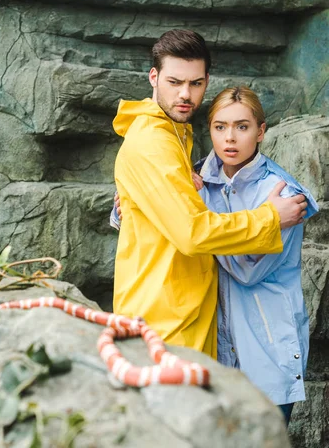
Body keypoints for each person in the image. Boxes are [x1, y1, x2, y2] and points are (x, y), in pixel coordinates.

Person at [111, 29, 307, 359]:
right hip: (162, 323)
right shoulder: (153, 143)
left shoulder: (175, 134)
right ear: (154, 77)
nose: (185, 94)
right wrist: (269, 217)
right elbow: (192, 233)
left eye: (196, 83)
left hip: (184, 313)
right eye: (174, 82)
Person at [189, 86, 318, 425]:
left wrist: (191, 225)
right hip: (215, 349)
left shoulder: (283, 194)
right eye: (220, 127)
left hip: (268, 349)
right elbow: (133, 214)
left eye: (242, 127)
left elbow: (246, 268)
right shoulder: (196, 178)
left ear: (261, 132)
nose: (230, 138)